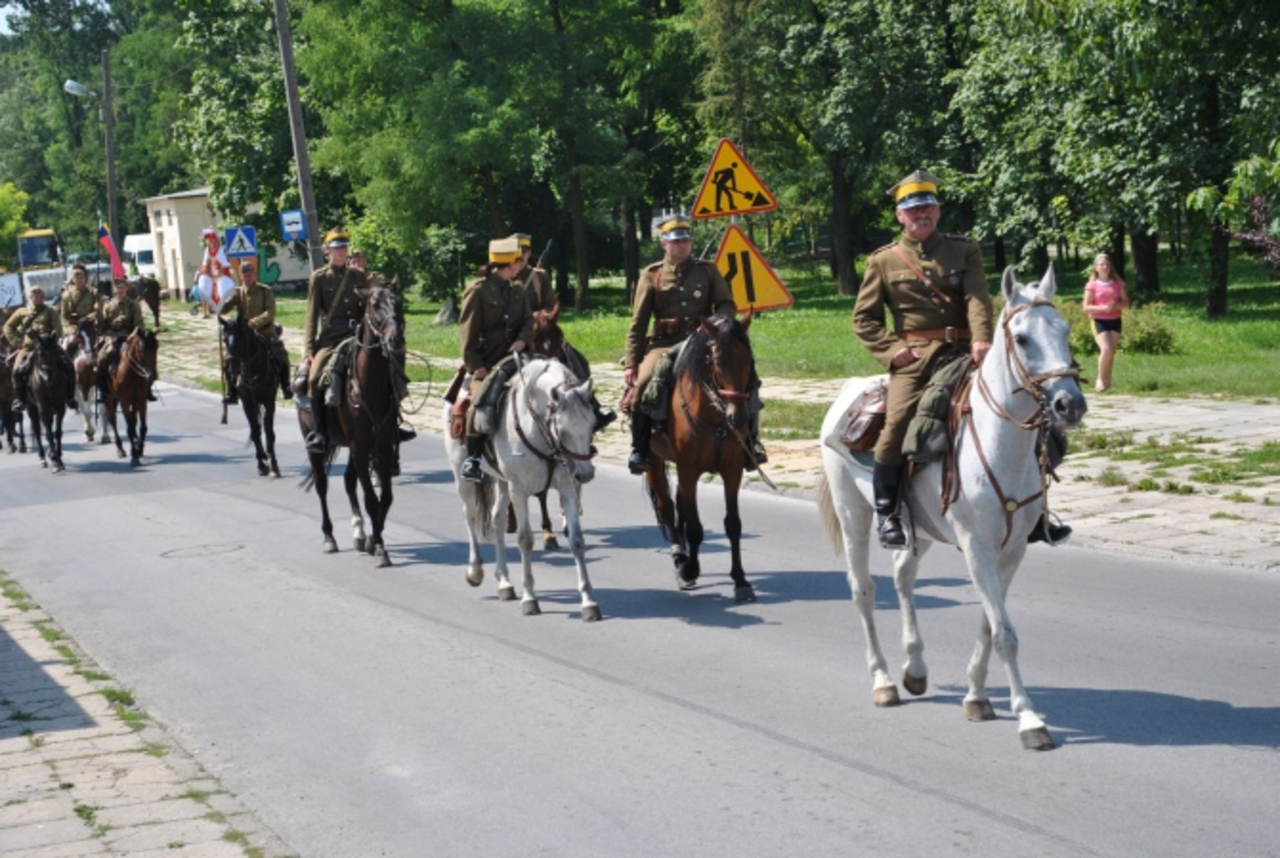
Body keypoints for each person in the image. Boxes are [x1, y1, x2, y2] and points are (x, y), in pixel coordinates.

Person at [853, 169, 1072, 549]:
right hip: (917, 359)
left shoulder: (963, 250)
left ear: (938, 211)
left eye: (928, 207)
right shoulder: (883, 261)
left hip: (967, 352)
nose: (922, 214)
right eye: (914, 209)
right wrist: (892, 351)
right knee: (898, 422)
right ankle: (888, 513)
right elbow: (864, 319)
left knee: (1032, 413)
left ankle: (1035, 512)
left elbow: (976, 297)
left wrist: (982, 339)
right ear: (900, 215)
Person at [622, 210, 766, 474]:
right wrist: (632, 363)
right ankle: (640, 448)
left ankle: (751, 442)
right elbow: (638, 322)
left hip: (704, 340)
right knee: (643, 384)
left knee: (747, 380)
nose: (682, 245)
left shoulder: (707, 271)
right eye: (676, 241)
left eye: (686, 240)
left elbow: (726, 303)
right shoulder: (652, 275)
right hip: (666, 344)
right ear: (664, 244)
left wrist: (716, 325)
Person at [511, 232, 615, 432]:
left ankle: (592, 406)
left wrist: (540, 317)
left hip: (538, 332)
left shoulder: (539, 277)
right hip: (513, 336)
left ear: (528, 254)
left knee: (575, 358)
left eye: (522, 253)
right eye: (513, 253)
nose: (518, 258)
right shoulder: (504, 276)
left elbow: (549, 304)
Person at [457, 236, 533, 483]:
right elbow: (467, 332)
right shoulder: (478, 290)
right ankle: (473, 457)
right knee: (480, 401)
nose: (521, 265)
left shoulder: (517, 288)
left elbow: (528, 320)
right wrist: (476, 366)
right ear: (509, 264)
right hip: (488, 360)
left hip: (519, 355)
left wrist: (522, 340)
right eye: (518, 261)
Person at [300, 229, 369, 453]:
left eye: (344, 247)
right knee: (314, 378)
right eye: (337, 248)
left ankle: (393, 425)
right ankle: (319, 433)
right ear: (327, 250)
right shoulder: (319, 278)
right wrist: (309, 350)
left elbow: (368, 304)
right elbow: (311, 316)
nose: (341, 251)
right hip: (331, 340)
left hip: (357, 336)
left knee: (385, 367)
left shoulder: (358, 276)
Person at [218, 260, 292, 403]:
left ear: (255, 275)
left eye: (250, 275)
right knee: (230, 359)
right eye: (244, 276)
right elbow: (225, 308)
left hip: (264, 331)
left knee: (281, 353)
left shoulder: (265, 291)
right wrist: (217, 303)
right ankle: (232, 392)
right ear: (241, 276)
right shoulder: (238, 293)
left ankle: (286, 386)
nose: (247, 278)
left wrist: (255, 322)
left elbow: (270, 312)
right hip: (244, 335)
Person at [5, 285, 74, 411]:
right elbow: (8, 327)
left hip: (48, 348)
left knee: (69, 365)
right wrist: (16, 341)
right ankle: (20, 400)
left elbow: (58, 329)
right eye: (35, 296)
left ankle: (70, 397)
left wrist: (49, 336)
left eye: (41, 296)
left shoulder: (50, 312)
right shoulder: (21, 312)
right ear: (30, 298)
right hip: (29, 348)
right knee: (16, 370)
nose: (39, 298)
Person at [96, 276, 157, 401]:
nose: (120, 290)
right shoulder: (108, 305)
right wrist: (98, 313)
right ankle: (103, 390)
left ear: (127, 289)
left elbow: (139, 324)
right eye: (118, 288)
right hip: (112, 337)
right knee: (101, 359)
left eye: (122, 288)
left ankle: (148, 389)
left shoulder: (133, 305)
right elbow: (103, 325)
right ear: (114, 289)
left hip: (129, 336)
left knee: (146, 357)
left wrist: (132, 336)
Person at [1082, 252, 1129, 393]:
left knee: (1111, 352)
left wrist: (1116, 306)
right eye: (1102, 264)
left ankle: (1108, 381)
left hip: (1115, 319)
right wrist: (1102, 308)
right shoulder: (1092, 285)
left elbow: (1126, 302)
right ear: (1096, 267)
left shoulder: (1118, 284)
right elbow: (1086, 307)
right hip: (1099, 320)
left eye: (1107, 264)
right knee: (1106, 348)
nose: (1105, 267)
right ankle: (1100, 379)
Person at [60, 264, 99, 338]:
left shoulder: (93, 292)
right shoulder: (66, 295)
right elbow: (64, 316)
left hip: (90, 324)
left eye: (81, 278)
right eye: (77, 278)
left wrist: (87, 318)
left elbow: (99, 311)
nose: (79, 280)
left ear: (85, 279)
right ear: (73, 280)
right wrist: (69, 329)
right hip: (73, 327)